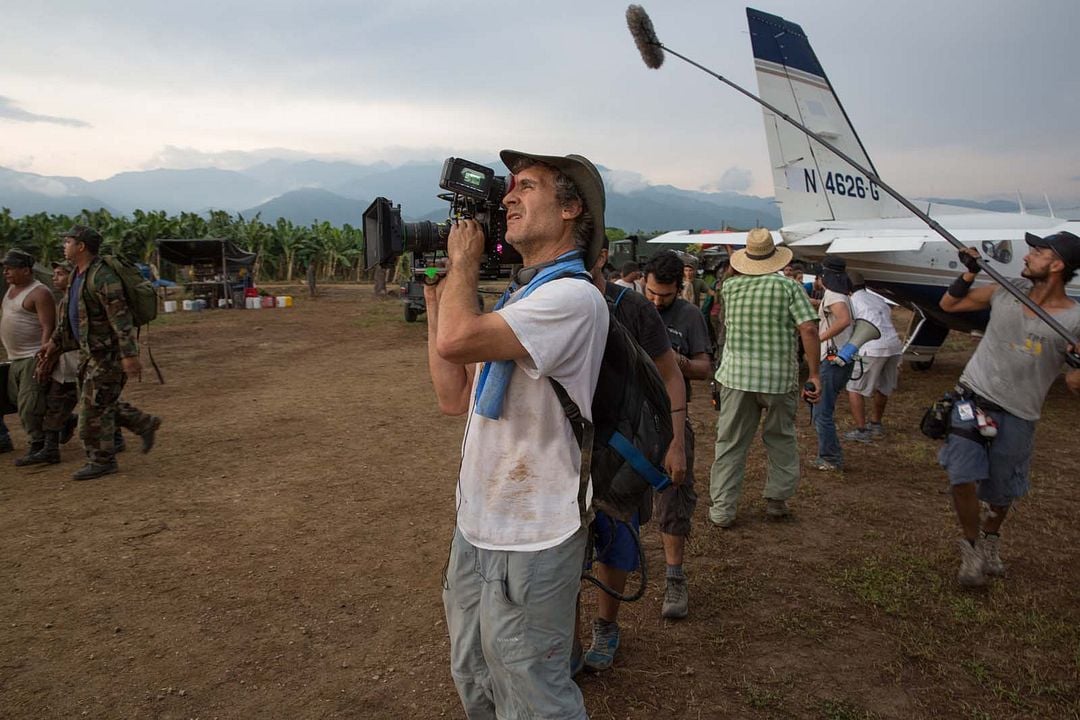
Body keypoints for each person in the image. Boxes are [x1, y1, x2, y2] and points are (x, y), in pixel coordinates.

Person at [424, 150, 608, 719]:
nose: (507, 198)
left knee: (533, 692)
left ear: (571, 208)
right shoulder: (520, 299)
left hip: (534, 531)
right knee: (475, 672)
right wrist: (437, 296)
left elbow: (458, 341)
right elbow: (454, 395)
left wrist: (462, 265)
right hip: (479, 524)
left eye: (525, 186)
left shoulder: (571, 298)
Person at [938, 233, 1080, 587]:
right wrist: (968, 272)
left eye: (1038, 251)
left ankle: (990, 537)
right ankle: (970, 549)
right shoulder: (1006, 289)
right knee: (961, 476)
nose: (1028, 255)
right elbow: (950, 306)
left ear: (1058, 265)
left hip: (1020, 412)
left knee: (999, 495)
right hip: (972, 396)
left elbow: (1076, 382)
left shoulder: (1075, 320)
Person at [580, 239, 688, 672]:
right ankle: (562, 645)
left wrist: (677, 442)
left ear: (601, 256)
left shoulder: (633, 310)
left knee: (615, 538)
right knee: (561, 551)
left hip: (619, 451)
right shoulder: (539, 299)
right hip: (561, 449)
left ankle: (606, 627)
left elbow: (671, 376)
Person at [708, 229, 821, 527]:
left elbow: (725, 327)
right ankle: (777, 501)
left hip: (736, 376)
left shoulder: (730, 288)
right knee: (781, 438)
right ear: (775, 257)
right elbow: (808, 329)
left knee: (730, 443)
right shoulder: (790, 288)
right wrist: (814, 373)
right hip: (778, 379)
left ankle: (722, 510)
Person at [42, 225, 162, 480]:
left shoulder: (103, 277)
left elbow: (121, 318)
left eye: (67, 241)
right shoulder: (77, 275)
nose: (64, 245)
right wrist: (54, 343)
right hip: (89, 354)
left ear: (81, 246)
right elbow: (68, 316)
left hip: (107, 354)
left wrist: (129, 355)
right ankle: (144, 423)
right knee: (100, 401)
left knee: (91, 411)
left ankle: (102, 460)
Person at [641, 250, 712, 620]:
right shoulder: (631, 307)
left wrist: (675, 361)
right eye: (651, 292)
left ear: (679, 288)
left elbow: (704, 367)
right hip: (629, 418)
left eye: (665, 296)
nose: (656, 301)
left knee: (674, 495)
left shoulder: (691, 316)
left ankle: (674, 577)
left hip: (671, 420)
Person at [22, 260, 81, 465]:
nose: (55, 278)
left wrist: (52, 353)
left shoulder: (78, 298)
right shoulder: (65, 299)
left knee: (101, 402)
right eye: (54, 273)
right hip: (66, 360)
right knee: (55, 402)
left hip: (77, 359)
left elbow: (69, 334)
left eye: (60, 274)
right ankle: (50, 448)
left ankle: (135, 426)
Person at [2, 248, 54, 466]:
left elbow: (48, 327)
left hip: (32, 355)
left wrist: (44, 357)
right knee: (16, 400)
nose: (6, 272)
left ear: (26, 270)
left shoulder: (39, 293)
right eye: (5, 268)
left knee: (29, 404)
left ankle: (39, 444)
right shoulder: (11, 289)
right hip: (15, 358)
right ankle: (64, 422)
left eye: (11, 268)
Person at [842, 270, 903, 443]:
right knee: (884, 387)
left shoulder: (852, 301)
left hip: (871, 347)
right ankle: (876, 423)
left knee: (854, 388)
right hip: (893, 345)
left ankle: (861, 430)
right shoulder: (878, 299)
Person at [812, 256, 854, 471]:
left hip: (832, 359)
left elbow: (843, 319)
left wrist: (818, 338)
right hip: (841, 359)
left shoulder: (833, 294)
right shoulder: (841, 294)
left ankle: (830, 457)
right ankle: (828, 454)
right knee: (821, 409)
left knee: (822, 411)